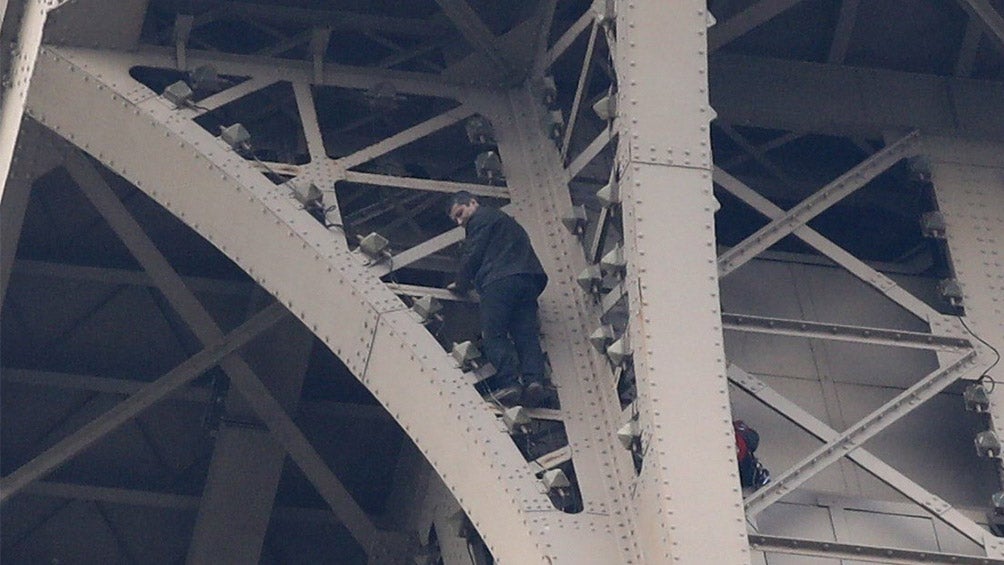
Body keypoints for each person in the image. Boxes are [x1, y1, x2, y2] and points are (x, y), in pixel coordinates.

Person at [447, 191, 549, 407]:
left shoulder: (481, 219)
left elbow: (473, 254)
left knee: (493, 333)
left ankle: (509, 382)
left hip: (500, 282)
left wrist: (461, 282)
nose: (459, 221)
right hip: (528, 281)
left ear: (473, 203)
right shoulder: (507, 222)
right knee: (526, 335)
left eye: (460, 213)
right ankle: (534, 381)